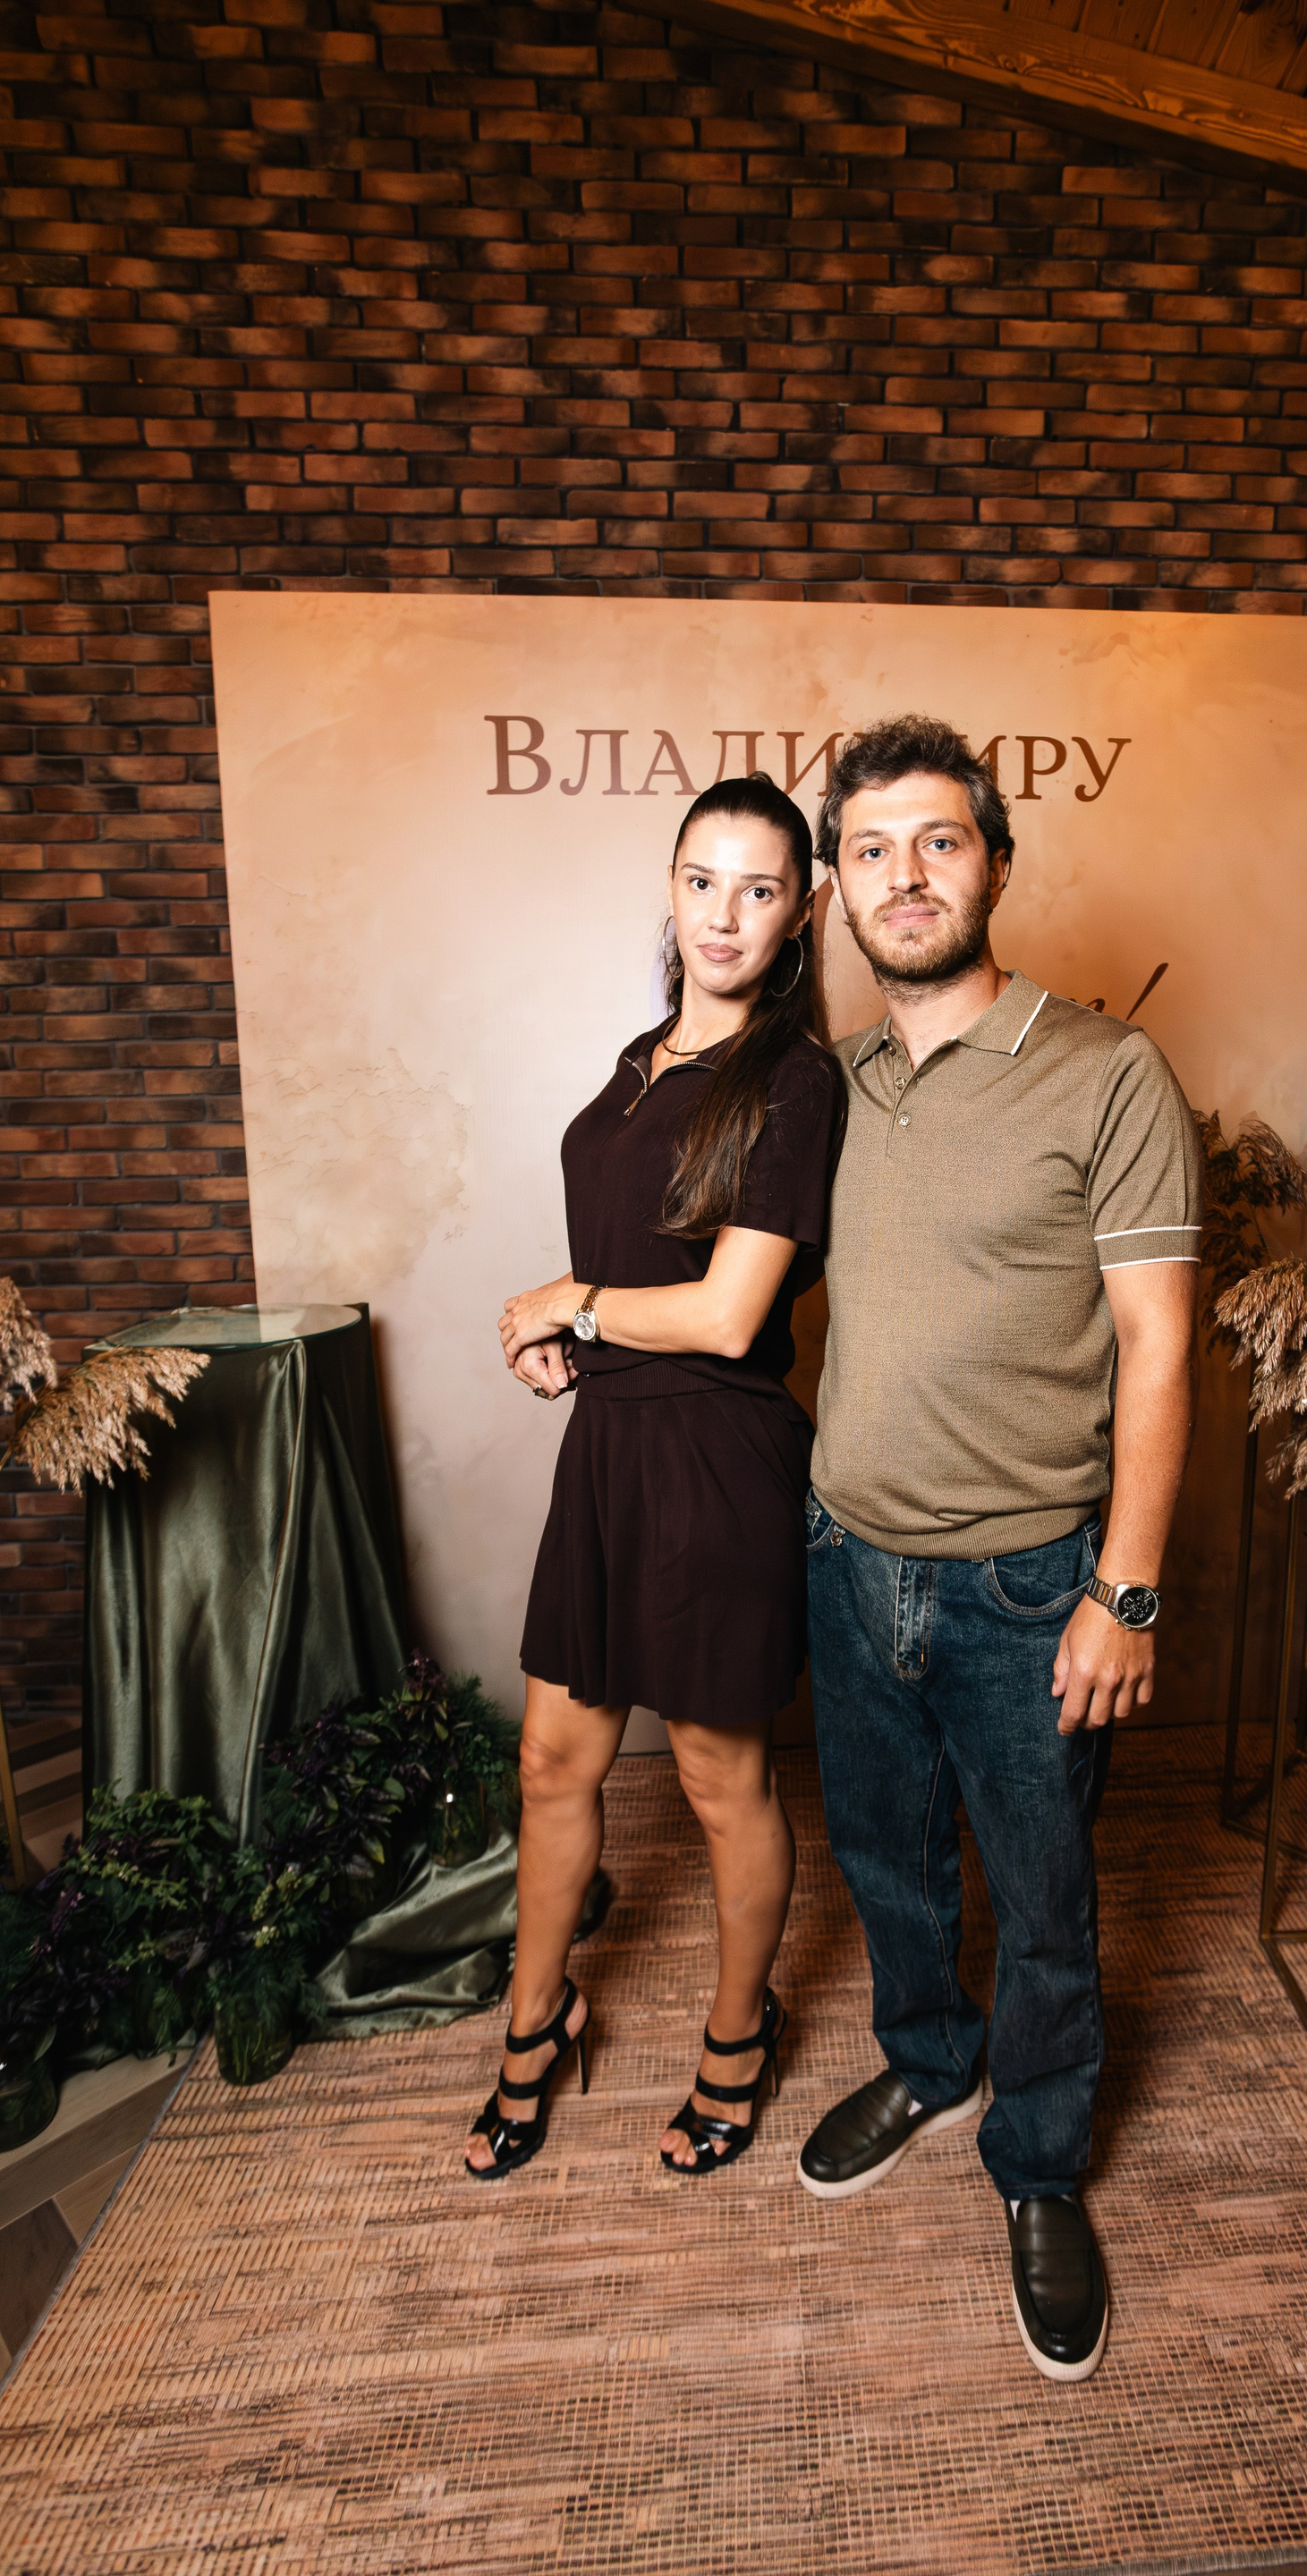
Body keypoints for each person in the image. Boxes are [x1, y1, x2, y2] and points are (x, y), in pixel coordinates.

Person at [796, 715, 1201, 2384]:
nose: (905, 876)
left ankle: (1037, 2166)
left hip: (1032, 1588)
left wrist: (1125, 1591)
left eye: (938, 841)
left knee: (1042, 1905)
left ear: (997, 864)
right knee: (884, 1860)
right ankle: (927, 2057)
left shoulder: (1106, 1073)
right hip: (846, 1560)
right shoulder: (836, 1086)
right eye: (871, 851)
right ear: (838, 889)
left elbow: (1161, 1349)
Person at [465, 774, 843, 2182]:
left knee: (714, 1777)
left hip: (717, 1460)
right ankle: (537, 2020)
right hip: (612, 1445)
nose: (724, 914)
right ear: (669, 888)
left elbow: (733, 1316)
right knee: (553, 1759)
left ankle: (740, 2035)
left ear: (802, 911)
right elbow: (642, 1275)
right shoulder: (642, 1058)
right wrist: (573, 1346)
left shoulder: (796, 1082)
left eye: (760, 888)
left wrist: (571, 1300)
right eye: (702, 880)